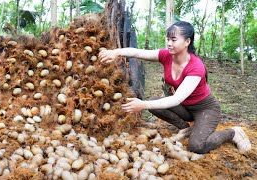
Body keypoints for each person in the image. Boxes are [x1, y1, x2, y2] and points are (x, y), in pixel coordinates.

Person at [98, 21, 251, 154]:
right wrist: (116, 52)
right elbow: (138, 52)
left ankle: (233, 133)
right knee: (154, 103)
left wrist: (142, 105)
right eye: (168, 39)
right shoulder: (166, 56)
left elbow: (177, 98)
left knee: (197, 146)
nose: (169, 43)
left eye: (173, 39)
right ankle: (185, 128)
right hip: (185, 107)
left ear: (187, 42)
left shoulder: (196, 67)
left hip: (205, 109)